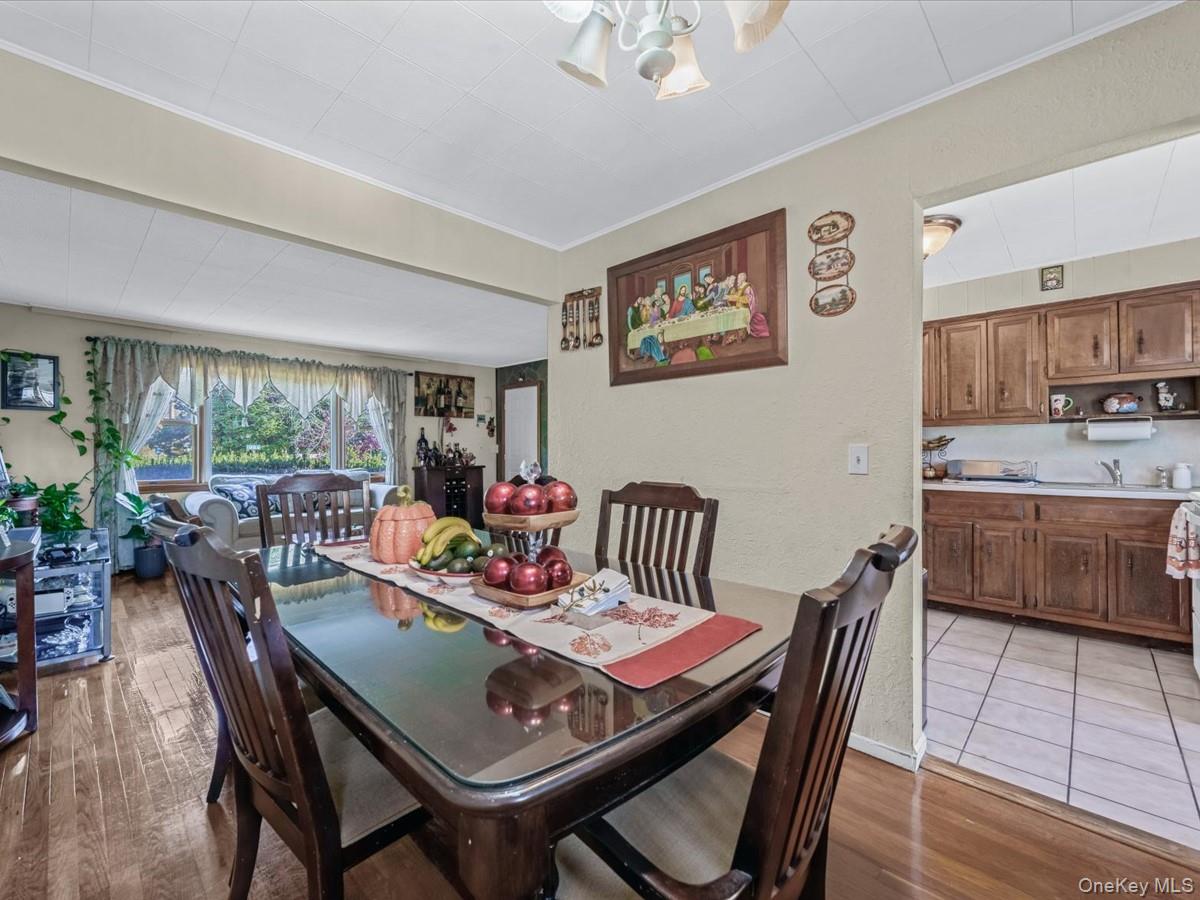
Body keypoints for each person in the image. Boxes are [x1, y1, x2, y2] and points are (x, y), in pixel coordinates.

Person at [739, 272, 770, 338]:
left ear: (743, 278)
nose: (738, 279)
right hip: (743, 305)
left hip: (747, 305)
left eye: (739, 278)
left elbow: (749, 298)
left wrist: (741, 300)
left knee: (752, 318)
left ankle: (748, 333)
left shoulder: (747, 286)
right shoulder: (741, 286)